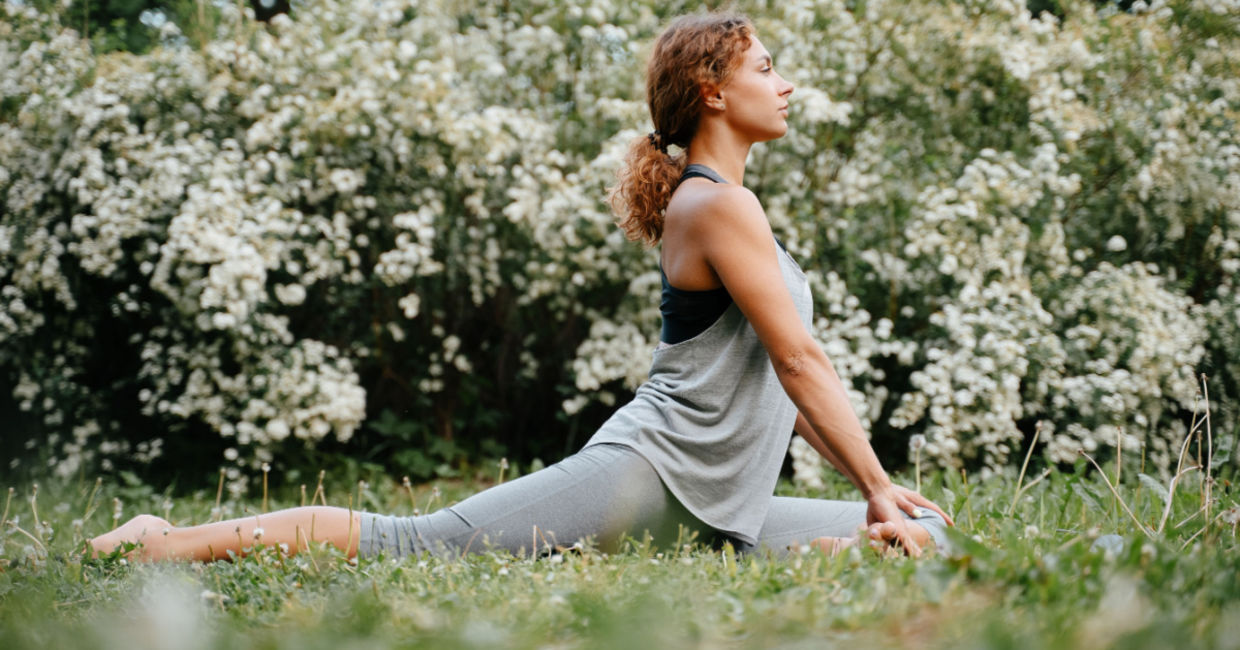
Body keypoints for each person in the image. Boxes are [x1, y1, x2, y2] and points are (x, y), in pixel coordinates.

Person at [90, 11, 953, 563]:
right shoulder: (715, 203)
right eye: (766, 67)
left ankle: (840, 546)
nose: (785, 83)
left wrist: (874, 490)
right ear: (713, 91)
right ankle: (159, 543)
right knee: (416, 542)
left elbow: (782, 384)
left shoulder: (736, 209)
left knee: (926, 534)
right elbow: (799, 359)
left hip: (724, 503)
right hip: (650, 472)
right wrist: (874, 484)